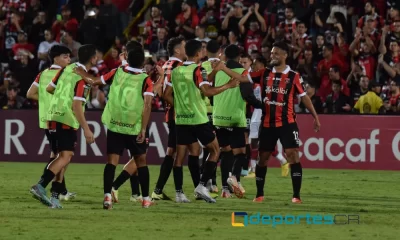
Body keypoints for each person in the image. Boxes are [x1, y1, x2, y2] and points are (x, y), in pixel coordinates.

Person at [163, 39, 244, 203]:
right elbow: (207, 92)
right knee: (215, 151)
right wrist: (228, 85)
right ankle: (201, 186)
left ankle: (179, 193)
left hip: (181, 119)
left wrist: (181, 107)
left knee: (179, 157)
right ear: (199, 53)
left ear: (187, 53)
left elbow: (166, 94)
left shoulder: (176, 71)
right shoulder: (198, 70)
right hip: (198, 118)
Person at [250, 41, 321, 203]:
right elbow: (244, 77)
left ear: (284, 56)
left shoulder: (294, 76)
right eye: (272, 53)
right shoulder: (264, 73)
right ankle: (259, 194)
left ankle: (296, 196)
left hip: (287, 123)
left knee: (293, 155)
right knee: (263, 157)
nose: (272, 56)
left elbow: (304, 98)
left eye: (276, 53)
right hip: (267, 123)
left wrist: (315, 117)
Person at [29, 44, 98, 208]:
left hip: (52, 116)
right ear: (93, 58)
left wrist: (62, 98)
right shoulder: (82, 79)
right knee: (65, 157)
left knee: (62, 157)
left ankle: (55, 196)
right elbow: (77, 106)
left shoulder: (66, 69)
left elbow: (49, 89)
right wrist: (87, 129)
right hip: (66, 118)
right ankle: (40, 186)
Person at [26, 45, 77, 202]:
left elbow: (30, 94)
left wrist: (46, 101)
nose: (68, 60)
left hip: (47, 120)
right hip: (62, 118)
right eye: (65, 57)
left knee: (57, 154)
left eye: (69, 57)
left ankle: (60, 190)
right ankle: (46, 187)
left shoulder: (42, 74)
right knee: (64, 156)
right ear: (55, 58)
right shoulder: (66, 75)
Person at [213, 44, 263, 199]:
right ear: (239, 57)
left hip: (218, 117)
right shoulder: (242, 72)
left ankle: (225, 190)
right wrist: (263, 106)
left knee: (226, 152)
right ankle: (234, 177)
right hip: (235, 117)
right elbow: (248, 96)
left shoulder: (217, 72)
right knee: (241, 153)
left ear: (225, 56)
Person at [151, 36, 191, 202]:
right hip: (179, 116)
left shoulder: (165, 65)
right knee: (180, 152)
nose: (186, 48)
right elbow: (167, 94)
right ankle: (179, 192)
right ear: (177, 50)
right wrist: (181, 107)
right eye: (184, 46)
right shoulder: (178, 67)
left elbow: (159, 92)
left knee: (172, 152)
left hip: (170, 114)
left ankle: (158, 190)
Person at [200, 39, 221, 194]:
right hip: (220, 112)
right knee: (217, 148)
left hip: (204, 111)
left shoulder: (201, 67)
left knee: (208, 148)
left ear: (206, 51)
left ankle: (206, 180)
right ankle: (212, 182)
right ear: (220, 51)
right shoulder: (224, 67)